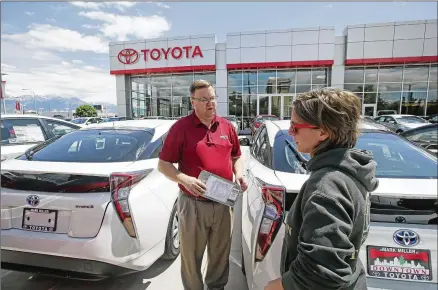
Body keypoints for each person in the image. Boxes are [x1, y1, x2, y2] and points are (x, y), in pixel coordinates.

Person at [265, 88, 379, 290]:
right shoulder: (349, 172)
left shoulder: (327, 185)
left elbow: (322, 272)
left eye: (295, 126)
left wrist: (277, 286)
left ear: (324, 131)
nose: (290, 132)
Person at [158, 79, 248, 290]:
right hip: (193, 204)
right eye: (204, 99)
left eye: (213, 98)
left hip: (224, 201)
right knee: (191, 257)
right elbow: (163, 165)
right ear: (193, 102)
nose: (211, 104)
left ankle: (216, 287)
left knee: (220, 253)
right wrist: (184, 179)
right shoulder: (181, 128)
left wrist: (239, 174)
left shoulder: (226, 126)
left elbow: (237, 156)